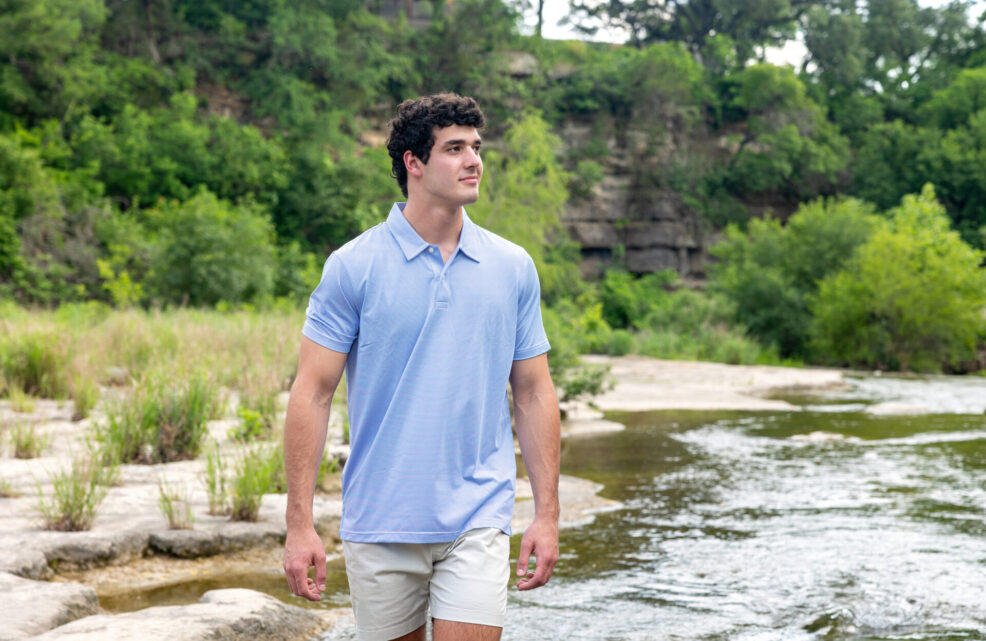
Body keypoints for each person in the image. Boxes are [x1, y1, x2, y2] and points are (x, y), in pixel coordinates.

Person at [282, 92, 561, 641]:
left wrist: (547, 514)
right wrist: (299, 523)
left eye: (476, 147)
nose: (473, 160)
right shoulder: (353, 266)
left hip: (477, 517)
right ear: (413, 163)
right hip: (380, 519)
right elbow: (311, 393)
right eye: (454, 148)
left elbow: (533, 393)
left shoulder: (512, 266)